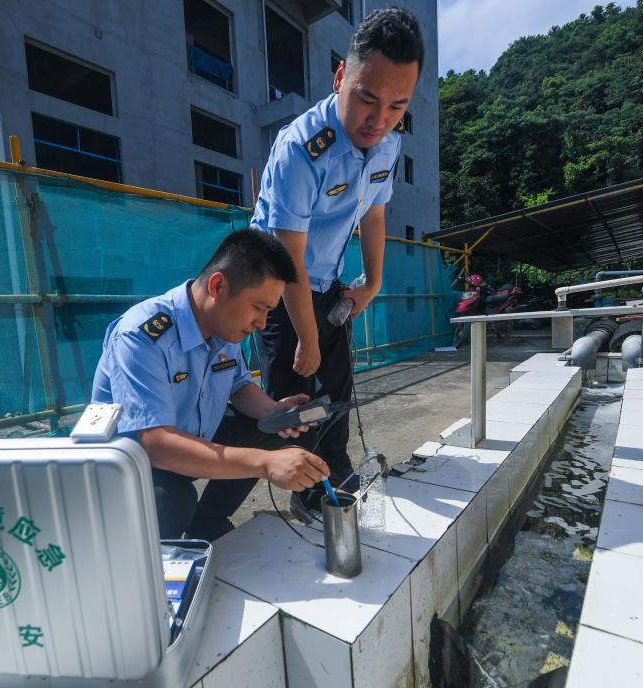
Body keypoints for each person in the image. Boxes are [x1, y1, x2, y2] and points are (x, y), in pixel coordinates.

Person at [250, 8, 424, 521]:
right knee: (296, 397)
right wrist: (306, 337)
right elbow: (287, 258)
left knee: (339, 384)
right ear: (340, 76)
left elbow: (374, 213)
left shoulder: (388, 143)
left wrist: (373, 282)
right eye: (367, 98)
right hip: (276, 287)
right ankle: (304, 486)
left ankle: (337, 465)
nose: (379, 120)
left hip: (326, 281)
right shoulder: (302, 149)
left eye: (397, 105)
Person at [91, 228, 330, 539]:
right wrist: (265, 463)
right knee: (170, 502)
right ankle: (149, 558)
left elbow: (239, 387)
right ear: (218, 285)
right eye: (259, 308)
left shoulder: (224, 327)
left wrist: (274, 411)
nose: (261, 323)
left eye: (269, 312)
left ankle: (208, 524)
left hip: (188, 436)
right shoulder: (142, 336)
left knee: (272, 431)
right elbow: (157, 444)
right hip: (134, 464)